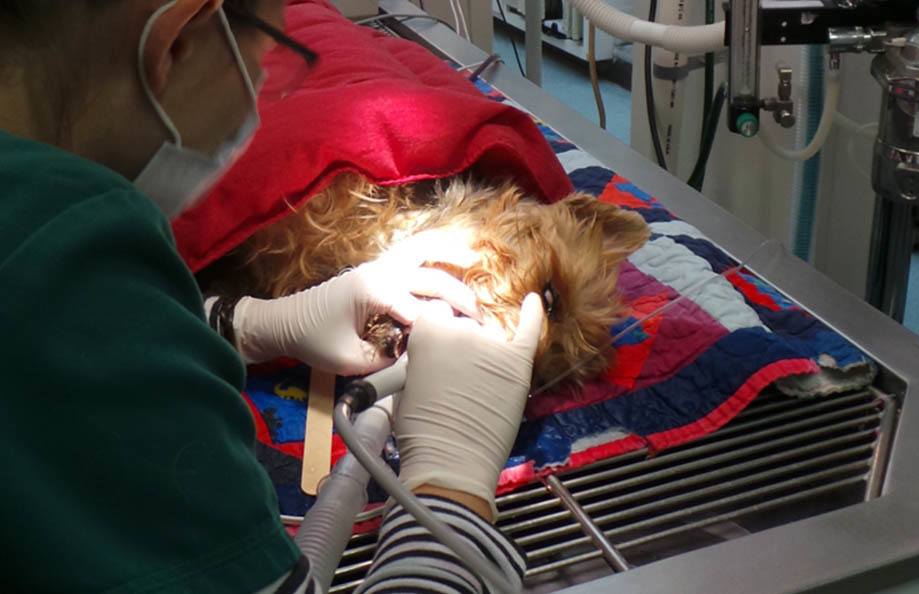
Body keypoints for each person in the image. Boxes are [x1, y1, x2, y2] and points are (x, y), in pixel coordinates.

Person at [0, 1, 543, 592]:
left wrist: (239, 323)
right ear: (178, 40)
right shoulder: (69, 249)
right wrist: (450, 486)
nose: (256, 106)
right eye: (264, 67)